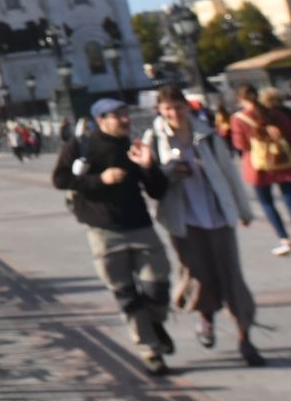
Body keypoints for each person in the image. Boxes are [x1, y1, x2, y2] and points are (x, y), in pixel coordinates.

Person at [54, 98, 174, 375]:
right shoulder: (82, 146)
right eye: (118, 115)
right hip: (103, 231)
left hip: (140, 225)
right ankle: (150, 350)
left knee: (158, 287)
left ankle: (155, 324)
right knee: (126, 296)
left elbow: (156, 191)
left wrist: (149, 166)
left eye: (126, 114)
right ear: (101, 119)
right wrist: (100, 180)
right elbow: (60, 179)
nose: (125, 119)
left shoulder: (132, 145)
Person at [145, 86, 264, 366]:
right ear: (160, 111)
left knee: (232, 275)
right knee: (197, 274)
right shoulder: (155, 139)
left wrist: (242, 209)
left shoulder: (206, 135)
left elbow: (228, 172)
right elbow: (151, 181)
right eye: (167, 109)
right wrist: (170, 172)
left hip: (218, 216)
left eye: (178, 107)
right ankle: (205, 317)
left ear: (187, 107)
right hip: (184, 220)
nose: (174, 113)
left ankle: (245, 337)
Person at [229, 83, 291, 257]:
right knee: (288, 197)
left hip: (258, 166)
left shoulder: (239, 118)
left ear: (239, 99)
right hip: (282, 161)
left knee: (267, 203)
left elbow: (240, 145)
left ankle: (284, 239)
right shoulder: (275, 114)